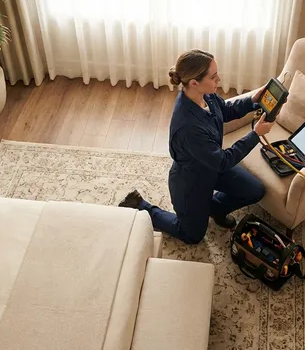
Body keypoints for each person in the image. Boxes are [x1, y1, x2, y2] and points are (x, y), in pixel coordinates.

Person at [119, 49, 277, 244]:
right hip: (192, 181)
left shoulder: (206, 95)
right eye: (213, 76)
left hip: (211, 165)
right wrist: (255, 135)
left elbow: (226, 111)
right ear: (194, 82)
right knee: (192, 235)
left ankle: (215, 208)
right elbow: (223, 161)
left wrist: (253, 101)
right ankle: (141, 206)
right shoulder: (188, 127)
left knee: (254, 190)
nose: (218, 80)